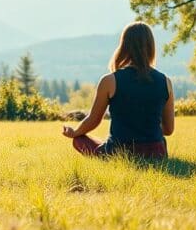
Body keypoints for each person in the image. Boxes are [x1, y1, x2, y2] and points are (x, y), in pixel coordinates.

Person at [62, 22, 174, 159]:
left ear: (124, 46)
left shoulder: (109, 81)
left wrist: (74, 132)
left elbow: (93, 120)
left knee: (79, 140)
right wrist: (146, 130)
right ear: (151, 47)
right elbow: (168, 130)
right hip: (157, 153)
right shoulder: (166, 82)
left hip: (119, 152)